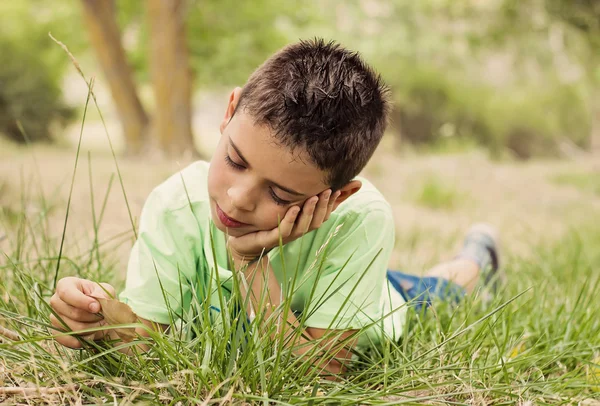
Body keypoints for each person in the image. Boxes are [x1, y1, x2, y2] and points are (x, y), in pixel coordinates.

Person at [49, 39, 500, 376]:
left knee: (439, 289)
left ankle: (476, 255)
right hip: (332, 287)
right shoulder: (175, 204)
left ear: (338, 196)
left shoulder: (361, 219)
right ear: (229, 112)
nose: (238, 198)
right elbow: (151, 338)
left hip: (376, 303)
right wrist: (99, 318)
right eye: (234, 160)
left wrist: (251, 263)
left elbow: (321, 372)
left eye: (280, 195)